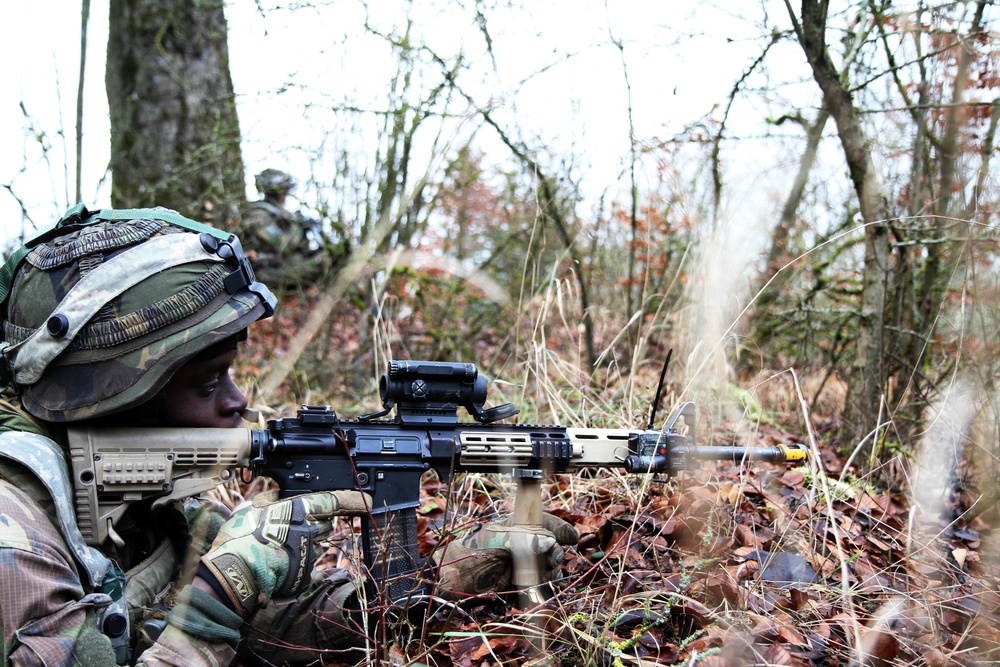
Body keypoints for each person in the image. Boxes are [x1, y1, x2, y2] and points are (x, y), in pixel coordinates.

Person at [0, 205, 577, 666]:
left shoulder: (153, 502)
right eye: (207, 384)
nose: (238, 400)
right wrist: (221, 593)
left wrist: (442, 580)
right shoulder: (13, 532)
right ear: (115, 399)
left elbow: (270, 628)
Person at [240, 169, 344, 291]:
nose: (285, 196)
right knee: (324, 259)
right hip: (264, 273)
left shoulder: (281, 214)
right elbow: (283, 245)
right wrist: (298, 228)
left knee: (331, 254)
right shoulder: (258, 215)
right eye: (284, 192)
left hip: (281, 267)